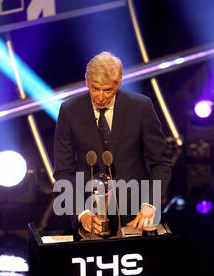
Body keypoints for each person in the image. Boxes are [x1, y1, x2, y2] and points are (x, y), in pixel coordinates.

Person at [54, 51, 171, 235]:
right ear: (86, 80)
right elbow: (63, 170)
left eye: (107, 90)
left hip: (134, 216)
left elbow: (160, 163)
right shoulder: (70, 111)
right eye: (95, 88)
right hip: (88, 217)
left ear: (118, 83)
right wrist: (81, 213)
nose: (100, 97)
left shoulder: (141, 107)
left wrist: (150, 204)